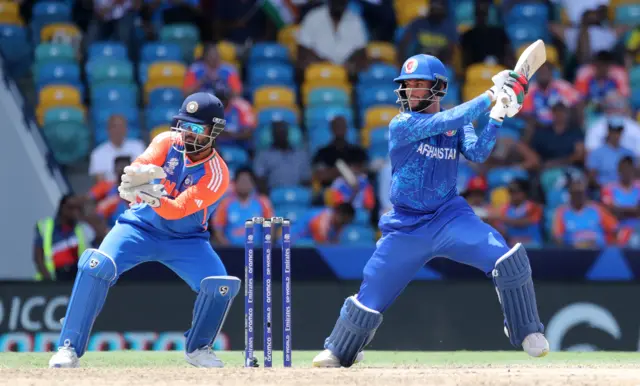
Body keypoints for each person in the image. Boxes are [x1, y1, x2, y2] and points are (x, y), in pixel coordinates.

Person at [312, 54, 549, 368]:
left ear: (437, 88)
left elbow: (478, 152)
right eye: (407, 85)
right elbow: (445, 122)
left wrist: (498, 116)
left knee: (507, 259)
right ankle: (341, 349)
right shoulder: (403, 124)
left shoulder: (456, 121)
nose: (410, 91)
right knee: (371, 295)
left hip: (450, 217)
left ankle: (526, 330)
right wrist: (492, 96)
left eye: (419, 85)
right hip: (406, 226)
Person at [48, 93, 237, 369]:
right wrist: (137, 175)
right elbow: (138, 167)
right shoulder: (165, 141)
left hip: (186, 240)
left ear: (214, 131)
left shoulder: (217, 174)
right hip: (138, 228)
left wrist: (153, 196)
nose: (188, 134)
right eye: (185, 125)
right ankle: (68, 347)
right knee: (95, 264)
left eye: (197, 129)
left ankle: (199, 349)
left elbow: (176, 210)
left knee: (221, 285)